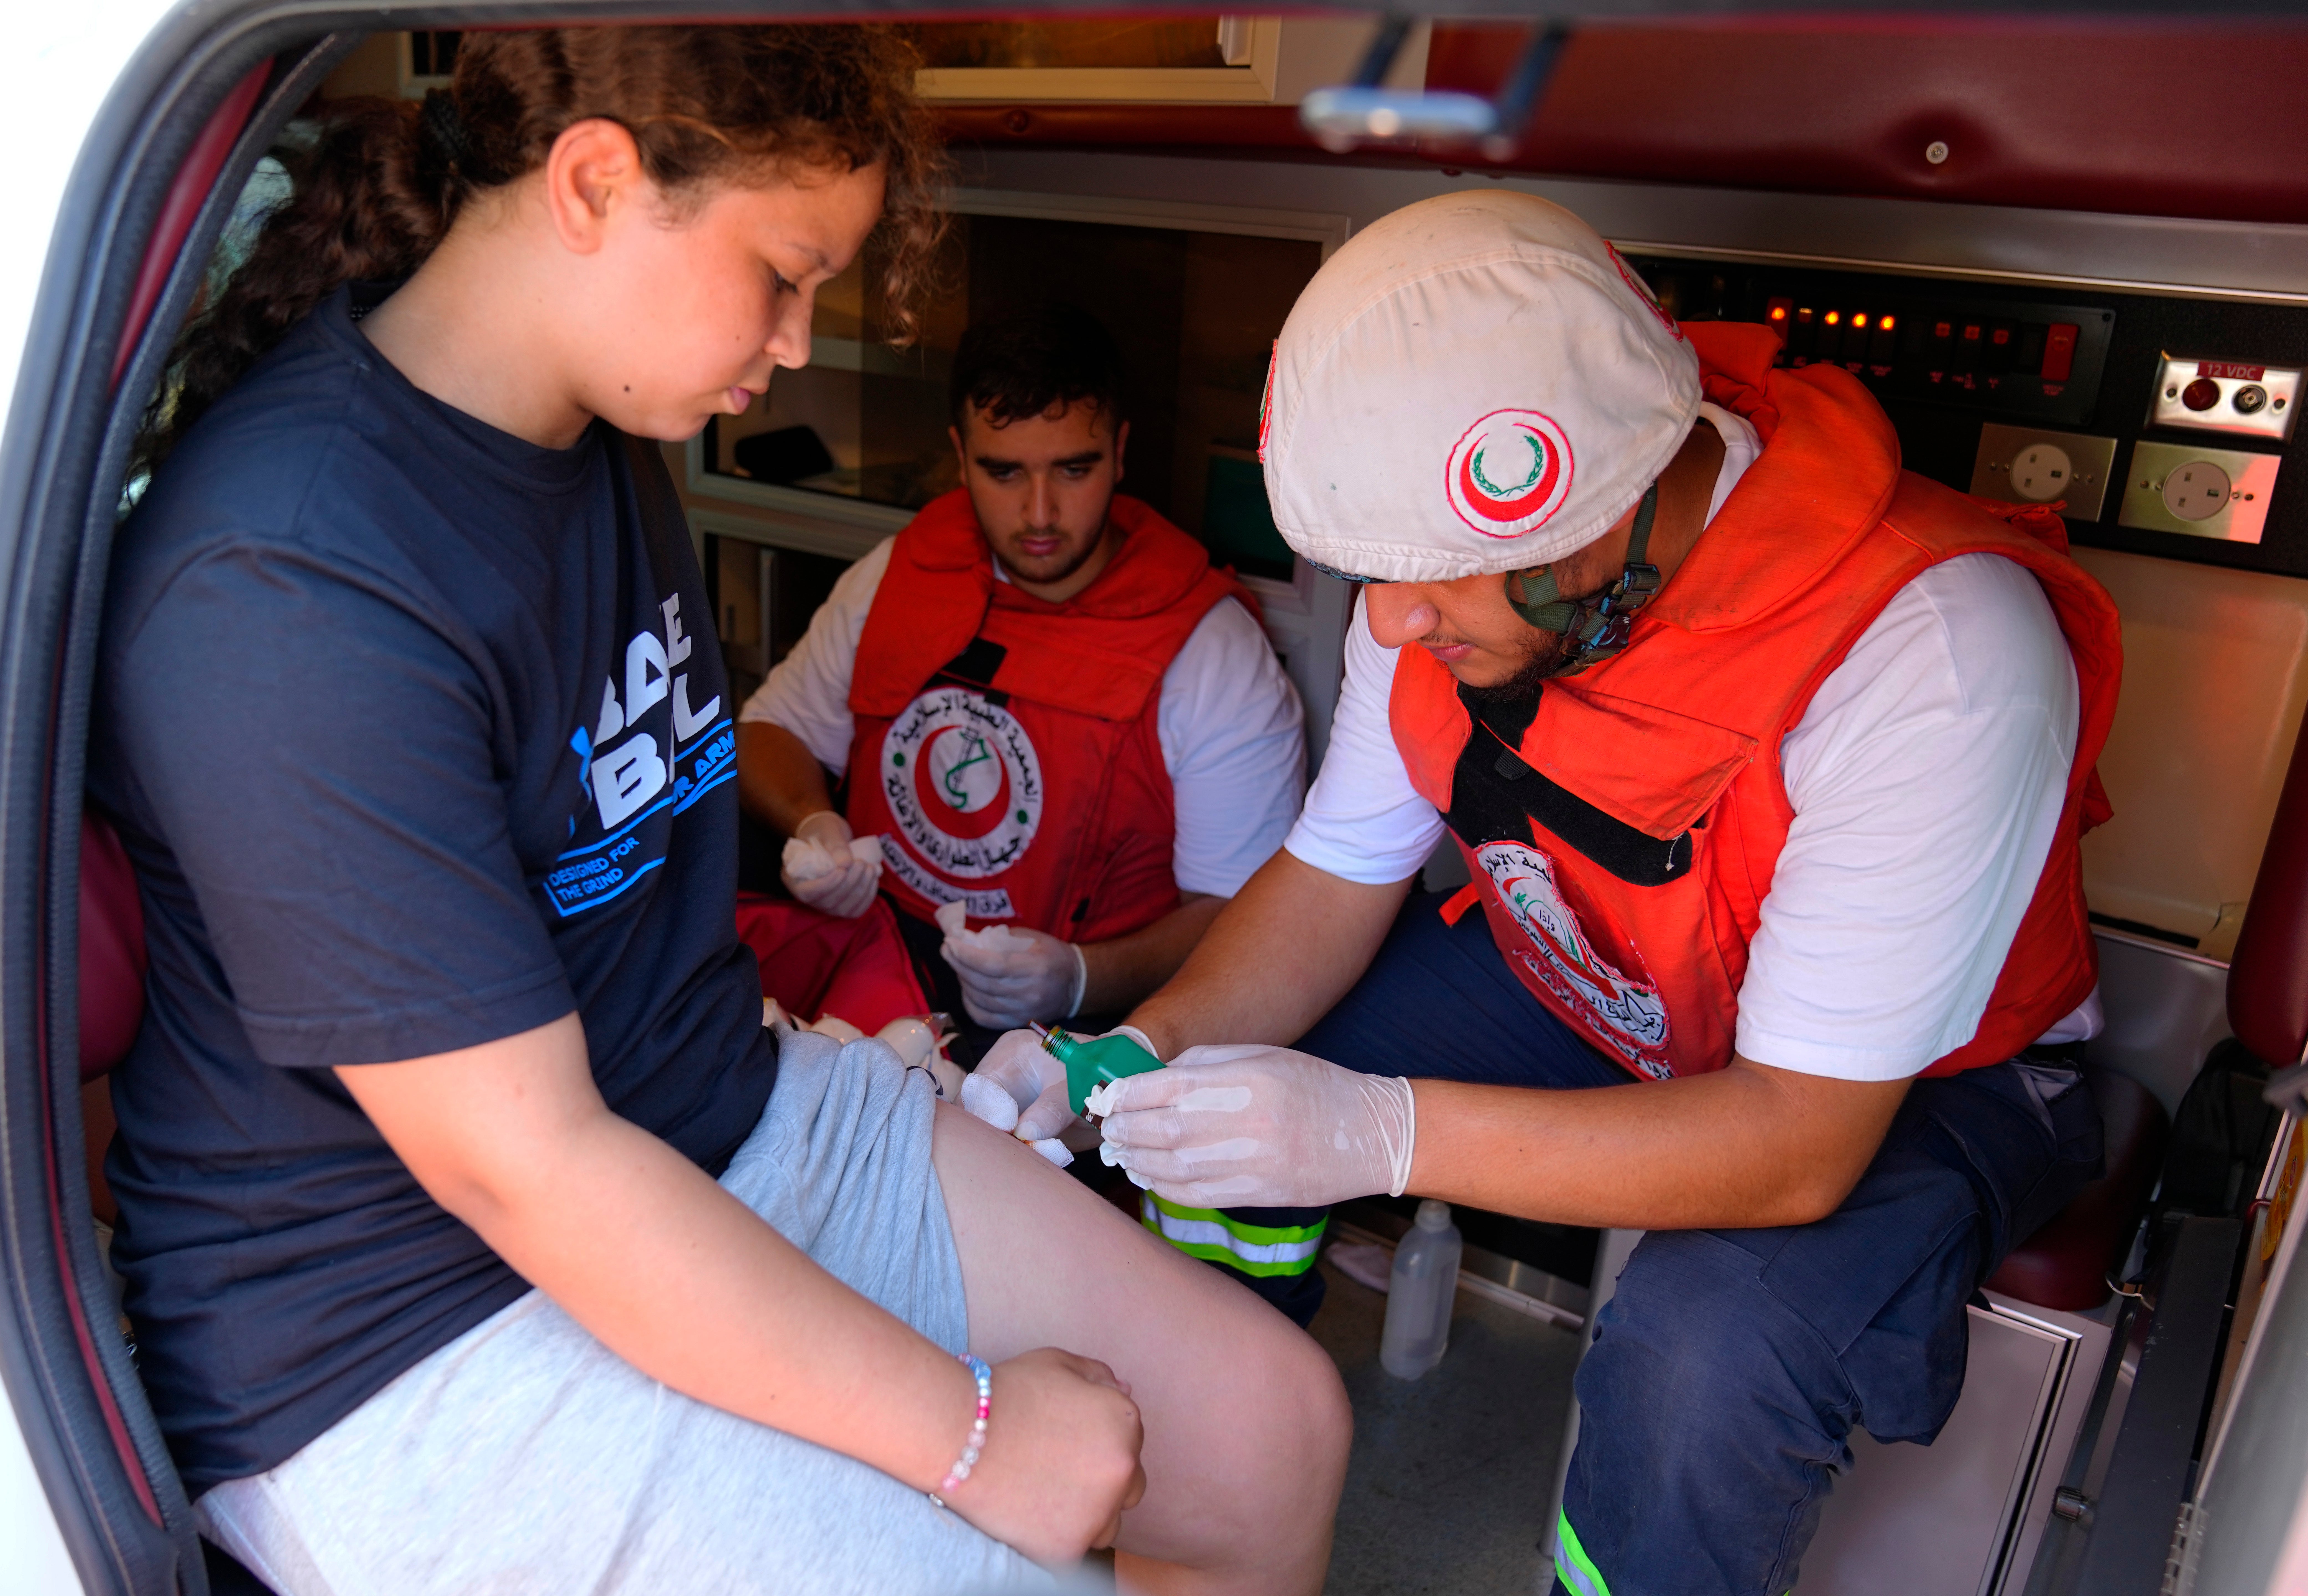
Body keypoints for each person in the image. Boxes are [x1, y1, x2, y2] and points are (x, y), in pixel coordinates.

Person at [90, 28, 1345, 1596]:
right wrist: (970, 1438)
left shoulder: (605, 436)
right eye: (782, 275)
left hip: (711, 1116)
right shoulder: (293, 580)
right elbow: (521, 1167)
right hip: (406, 1318)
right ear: (596, 183)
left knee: (1274, 1431)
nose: (804, 347)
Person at [969, 191, 2121, 1594]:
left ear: (1617, 501)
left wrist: (1376, 1135)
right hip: (1614, 985)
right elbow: (1336, 877)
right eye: (1373, 577)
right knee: (1231, 1071)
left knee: (1711, 1351)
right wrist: (1133, 1051)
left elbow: (1794, 1142)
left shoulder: (1932, 653)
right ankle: (1206, 1479)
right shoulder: (1443, 581)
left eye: (1432, 579)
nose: (1389, 626)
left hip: (1927, 1083)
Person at [735, 303, 1306, 1064]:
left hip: (1072, 1027)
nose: (1041, 514)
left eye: (1075, 468)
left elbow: (1246, 918)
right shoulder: (903, 571)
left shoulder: (1211, 652)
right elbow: (770, 730)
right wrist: (813, 824)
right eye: (1004, 472)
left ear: (1121, 451)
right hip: (874, 958)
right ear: (959, 455)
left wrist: (1080, 979)